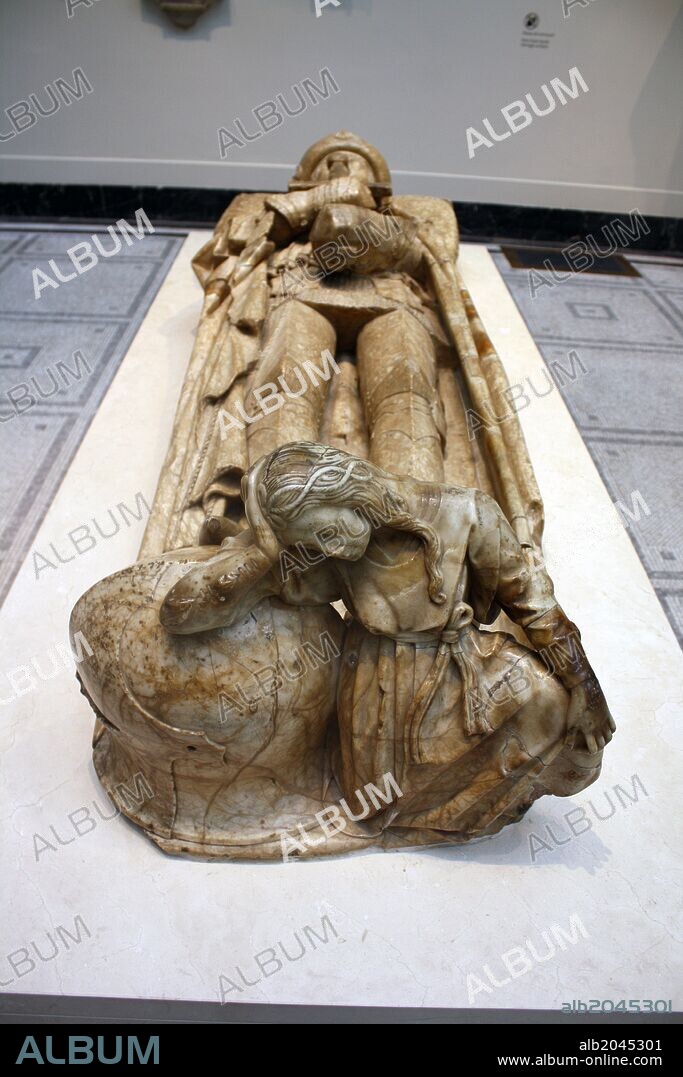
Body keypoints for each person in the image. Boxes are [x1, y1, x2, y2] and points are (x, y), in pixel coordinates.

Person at [160, 442, 615, 843]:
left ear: (345, 490)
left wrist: (585, 685)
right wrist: (259, 550)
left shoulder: (469, 514)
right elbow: (180, 613)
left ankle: (487, 800)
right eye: (316, 543)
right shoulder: (334, 551)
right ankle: (437, 808)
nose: (331, 551)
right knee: (374, 804)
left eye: (325, 533)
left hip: (466, 670)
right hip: (376, 686)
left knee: (566, 726)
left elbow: (534, 606)